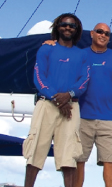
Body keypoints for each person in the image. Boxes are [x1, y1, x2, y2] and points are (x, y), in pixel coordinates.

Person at [23, 13, 89, 187]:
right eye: (64, 24)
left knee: (69, 156)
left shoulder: (82, 55)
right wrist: (57, 99)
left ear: (77, 30)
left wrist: (69, 94)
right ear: (58, 26)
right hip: (47, 104)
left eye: (72, 25)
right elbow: (39, 77)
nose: (68, 27)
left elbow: (84, 81)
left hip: (71, 106)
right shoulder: (46, 49)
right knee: (35, 151)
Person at [74, 23, 112, 187]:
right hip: (81, 117)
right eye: (100, 31)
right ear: (92, 34)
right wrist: (51, 42)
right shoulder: (80, 55)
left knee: (110, 161)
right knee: (78, 160)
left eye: (107, 33)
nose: (103, 35)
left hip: (108, 119)